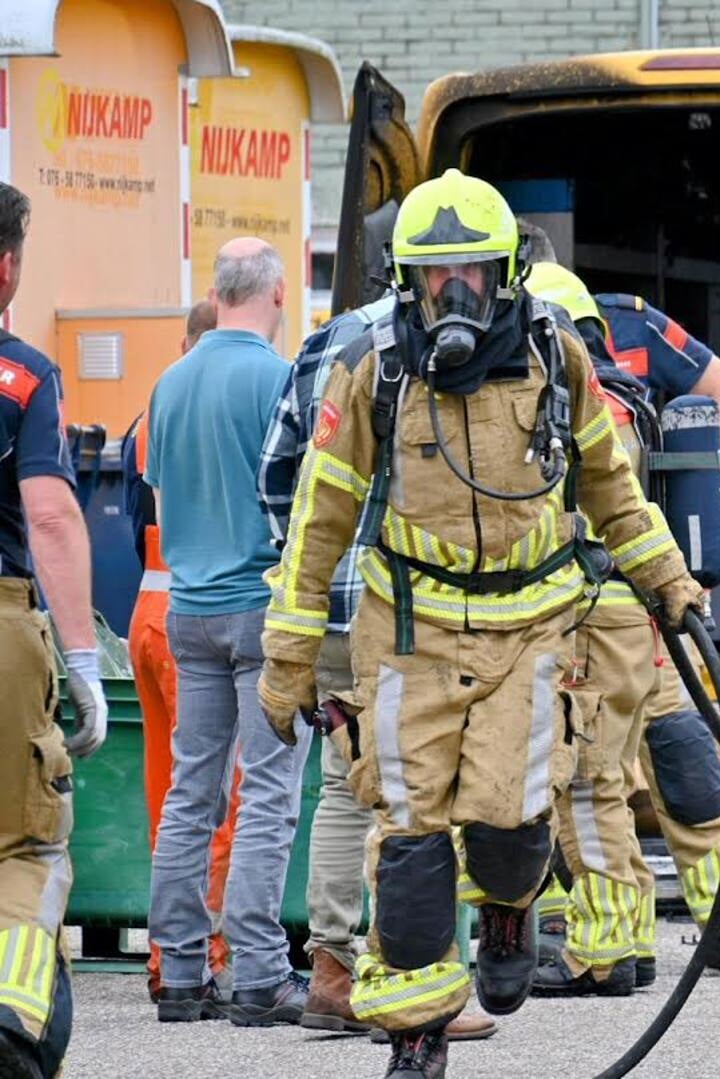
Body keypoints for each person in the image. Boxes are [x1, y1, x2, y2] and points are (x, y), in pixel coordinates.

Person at [255, 170, 704, 1079]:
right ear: (403, 279)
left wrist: (669, 578)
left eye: (469, 271)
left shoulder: (553, 355)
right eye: (433, 274)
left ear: (503, 272)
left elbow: (612, 484)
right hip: (409, 634)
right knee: (411, 830)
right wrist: (288, 655)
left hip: (533, 628)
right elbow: (319, 520)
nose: (451, 292)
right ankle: (417, 1033)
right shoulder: (374, 367)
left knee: (508, 818)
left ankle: (508, 904)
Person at [517, 261, 720, 998]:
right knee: (681, 756)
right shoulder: (627, 393)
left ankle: (616, 942)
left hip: (593, 615)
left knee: (586, 777)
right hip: (654, 605)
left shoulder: (549, 405)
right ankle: (702, 923)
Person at [256, 289, 498, 1044]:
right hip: (407, 603)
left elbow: (275, 475)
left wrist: (311, 573)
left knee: (345, 782)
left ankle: (331, 973)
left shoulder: (326, 341)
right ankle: (409, 973)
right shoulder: (439, 345)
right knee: (421, 788)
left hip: (327, 603)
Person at [145, 238, 314, 1027]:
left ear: (216, 293)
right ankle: (258, 972)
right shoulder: (281, 380)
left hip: (189, 608)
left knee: (191, 794)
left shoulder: (169, 383)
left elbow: (158, 488)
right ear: (276, 293)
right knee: (269, 791)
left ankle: (179, 971)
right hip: (263, 609)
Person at [0, 179, 106, 1079]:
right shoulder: (24, 375)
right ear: (5, 268)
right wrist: (80, 661)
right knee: (24, 844)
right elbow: (55, 516)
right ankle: (9, 1022)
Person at [130, 300, 242, 1003]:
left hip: (147, 609)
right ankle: (212, 951)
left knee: (167, 794)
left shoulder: (153, 412)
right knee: (217, 799)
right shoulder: (215, 406)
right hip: (197, 614)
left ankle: (166, 954)